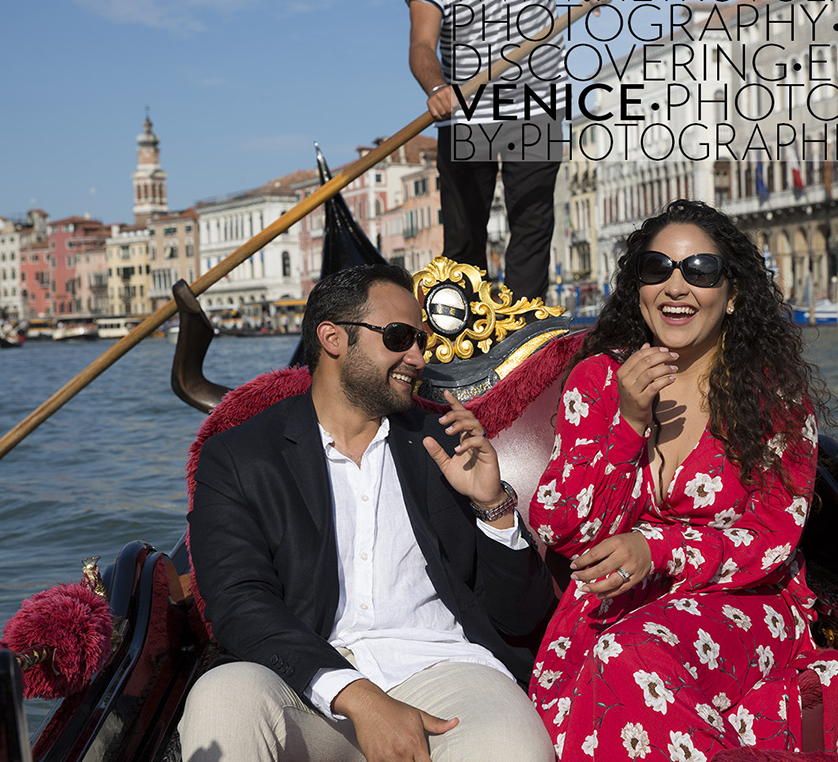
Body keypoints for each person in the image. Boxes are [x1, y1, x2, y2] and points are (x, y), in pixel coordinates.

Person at [527, 201, 838, 760]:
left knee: (627, 657)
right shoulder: (597, 381)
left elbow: (771, 537)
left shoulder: (773, 400)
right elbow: (563, 527)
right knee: (610, 658)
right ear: (638, 287)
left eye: (700, 271)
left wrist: (657, 547)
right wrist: (629, 424)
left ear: (732, 294)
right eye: (656, 268)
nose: (675, 286)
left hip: (741, 602)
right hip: (614, 603)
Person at [180, 264, 557, 762]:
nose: (418, 358)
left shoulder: (446, 442)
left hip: (446, 675)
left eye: (421, 340)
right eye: (400, 338)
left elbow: (520, 617)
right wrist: (357, 696)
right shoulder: (240, 456)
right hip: (306, 680)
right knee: (223, 696)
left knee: (513, 749)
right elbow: (238, 603)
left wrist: (493, 507)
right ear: (333, 338)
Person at [406, 0, 620, 301]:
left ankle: (525, 331)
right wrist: (436, 89)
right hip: (464, 110)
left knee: (532, 226)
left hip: (538, 102)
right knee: (463, 238)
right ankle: (466, 329)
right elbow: (421, 44)